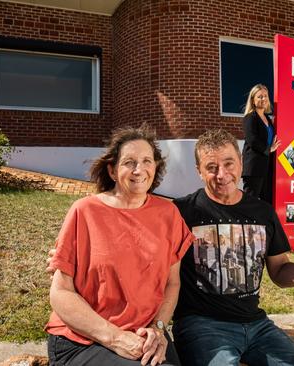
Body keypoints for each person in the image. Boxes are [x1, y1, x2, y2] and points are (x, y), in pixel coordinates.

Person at [48, 129, 294, 366]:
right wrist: (67, 253)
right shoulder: (181, 211)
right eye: (211, 167)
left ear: (240, 163)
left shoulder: (260, 212)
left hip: (255, 324)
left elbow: (279, 271)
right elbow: (125, 232)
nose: (221, 174)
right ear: (198, 171)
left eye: (228, 163)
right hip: (202, 325)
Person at [45, 126, 194, 366]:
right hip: (85, 339)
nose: (139, 169)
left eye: (147, 161)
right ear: (113, 170)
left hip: (144, 336)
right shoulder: (85, 211)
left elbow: (172, 282)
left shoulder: (168, 213)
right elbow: (61, 293)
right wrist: (115, 338)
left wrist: (158, 328)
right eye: (129, 162)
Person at [241, 84, 281, 203]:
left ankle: (263, 222)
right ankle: (245, 222)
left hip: (267, 166)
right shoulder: (250, 118)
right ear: (253, 100)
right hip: (254, 166)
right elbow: (252, 140)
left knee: (267, 201)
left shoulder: (268, 119)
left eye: (265, 96)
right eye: (259, 97)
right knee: (250, 200)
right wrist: (269, 149)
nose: (263, 99)